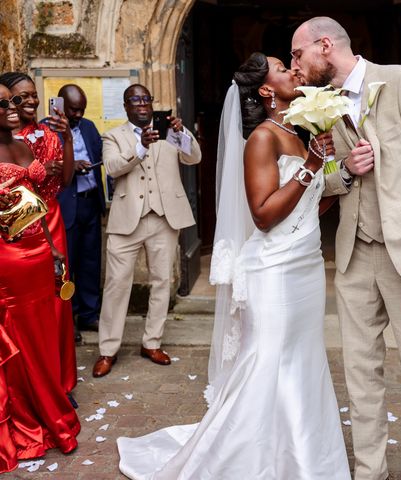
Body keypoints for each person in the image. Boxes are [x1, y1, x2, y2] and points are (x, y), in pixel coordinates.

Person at [116, 53, 350, 480]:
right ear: (264, 90)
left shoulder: (297, 134)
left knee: (303, 360)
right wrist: (312, 167)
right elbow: (262, 214)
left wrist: (342, 174)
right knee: (269, 360)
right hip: (274, 273)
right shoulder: (263, 138)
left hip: (305, 266)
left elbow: (306, 208)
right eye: (283, 69)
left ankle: (298, 456)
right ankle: (248, 458)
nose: (295, 72)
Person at [291, 17, 401, 480]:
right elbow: (324, 182)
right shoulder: (321, 106)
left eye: (297, 54)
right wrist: (344, 168)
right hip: (353, 256)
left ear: (325, 46)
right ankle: (370, 472)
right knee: (361, 378)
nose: (295, 66)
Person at [92, 84, 202, 378]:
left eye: (146, 99)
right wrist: (140, 147)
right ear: (126, 106)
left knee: (161, 282)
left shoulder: (169, 132)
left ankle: (151, 342)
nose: (142, 104)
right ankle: (108, 349)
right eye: (135, 100)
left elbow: (194, 158)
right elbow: (113, 167)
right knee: (116, 285)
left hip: (164, 218)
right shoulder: (113, 136)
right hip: (127, 220)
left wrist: (180, 133)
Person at [0, 83, 80, 473]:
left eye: (12, 100)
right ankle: (25, 420)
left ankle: (46, 409)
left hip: (39, 246)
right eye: (5, 102)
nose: (13, 107)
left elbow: (35, 194)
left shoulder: (22, 143)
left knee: (42, 336)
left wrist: (52, 248)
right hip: (8, 260)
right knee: (18, 342)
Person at [57, 84, 106, 338]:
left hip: (90, 202)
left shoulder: (88, 127)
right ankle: (69, 320)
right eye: (74, 110)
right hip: (66, 206)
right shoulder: (48, 128)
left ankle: (89, 314)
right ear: (61, 106)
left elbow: (100, 153)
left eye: (82, 110)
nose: (78, 115)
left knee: (90, 262)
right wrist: (71, 164)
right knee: (69, 265)